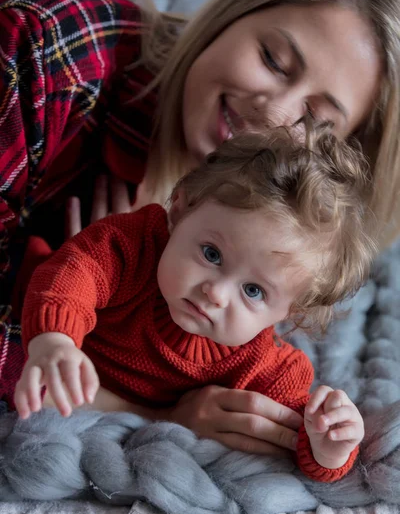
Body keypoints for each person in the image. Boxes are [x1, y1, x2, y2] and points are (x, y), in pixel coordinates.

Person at [0, 0, 399, 456]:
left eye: (315, 122)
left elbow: (307, 438)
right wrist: (155, 416)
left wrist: (330, 442)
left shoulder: (239, 236)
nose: (272, 112)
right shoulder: (48, 47)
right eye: (272, 60)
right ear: (228, 14)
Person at [16, 128, 372, 481]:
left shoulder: (267, 368)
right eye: (211, 254)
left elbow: (291, 434)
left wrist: (330, 446)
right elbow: (75, 273)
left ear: (290, 313)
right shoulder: (135, 246)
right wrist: (54, 339)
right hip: (28, 320)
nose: (215, 293)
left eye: (253, 291)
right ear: (181, 209)